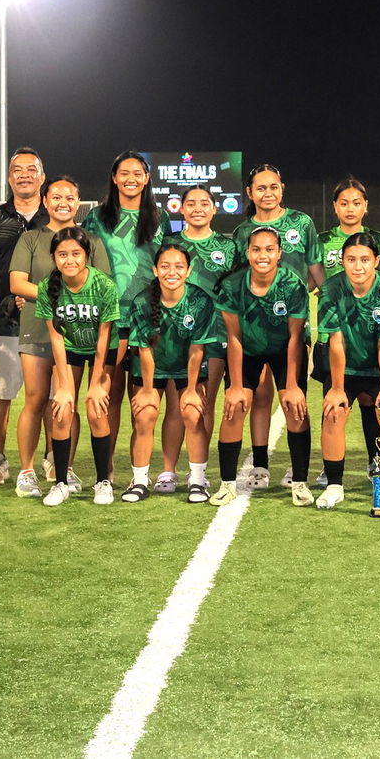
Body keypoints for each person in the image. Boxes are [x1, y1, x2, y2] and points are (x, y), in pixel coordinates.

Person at [8, 175, 110, 497]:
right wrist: (54, 295)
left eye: (70, 197)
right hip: (38, 328)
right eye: (56, 196)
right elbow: (16, 284)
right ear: (44, 201)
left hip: (78, 334)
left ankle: (61, 466)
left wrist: (60, 298)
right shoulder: (31, 239)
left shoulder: (90, 241)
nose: (63, 202)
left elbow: (102, 283)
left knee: (67, 401)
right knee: (36, 400)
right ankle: (26, 471)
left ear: (78, 202)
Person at [229, 165, 323, 489]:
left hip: (292, 327)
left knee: (294, 398)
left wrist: (302, 294)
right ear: (249, 192)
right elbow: (238, 280)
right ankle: (260, 465)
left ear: (282, 188)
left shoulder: (302, 223)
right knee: (258, 396)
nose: (267, 193)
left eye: (273, 187)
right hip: (252, 329)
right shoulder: (242, 232)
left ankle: (299, 472)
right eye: (260, 188)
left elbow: (315, 271)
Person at [81, 151, 168, 480]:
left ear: (146, 179)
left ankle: (140, 472)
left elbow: (168, 266)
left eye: (138, 173)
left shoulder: (159, 218)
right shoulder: (95, 218)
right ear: (114, 178)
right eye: (124, 172)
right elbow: (83, 264)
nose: (131, 178)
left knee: (143, 400)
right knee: (109, 396)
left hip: (148, 318)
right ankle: (106, 470)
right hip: (109, 318)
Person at [213, 227, 311, 506]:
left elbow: (295, 338)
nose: (262, 255)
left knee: (295, 406)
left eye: (269, 249)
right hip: (248, 350)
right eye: (256, 249)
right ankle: (227, 484)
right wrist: (233, 385)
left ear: (279, 253)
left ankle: (300, 483)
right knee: (235, 405)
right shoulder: (233, 285)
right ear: (248, 252)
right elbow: (233, 337)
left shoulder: (292, 285)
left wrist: (292, 385)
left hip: (284, 350)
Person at [0, 147, 46, 486]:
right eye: (18, 169)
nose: (25, 174)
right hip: (3, 322)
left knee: (46, 393)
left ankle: (52, 459)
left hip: (49, 322)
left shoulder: (56, 216)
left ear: (42, 176)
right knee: (2, 391)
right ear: (9, 177)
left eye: (32, 169)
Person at [315, 233, 380, 509]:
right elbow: (336, 341)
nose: (358, 266)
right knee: (333, 413)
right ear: (342, 261)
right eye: (351, 259)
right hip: (344, 363)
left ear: (376, 261)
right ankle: (334, 485)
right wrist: (337, 387)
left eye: (365, 260)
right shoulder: (331, 289)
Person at [123, 243, 221, 502]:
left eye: (179, 266)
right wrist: (146, 390)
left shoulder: (200, 300)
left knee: (191, 411)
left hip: (185, 367)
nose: (172, 272)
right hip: (151, 369)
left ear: (188, 271)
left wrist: (190, 390)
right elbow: (145, 351)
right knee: (145, 414)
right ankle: (140, 481)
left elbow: (196, 350)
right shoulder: (143, 301)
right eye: (165, 266)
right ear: (155, 270)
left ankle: (198, 481)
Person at [32, 228, 122, 506]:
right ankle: (60, 482)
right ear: (54, 257)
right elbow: (56, 338)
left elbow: (104, 336)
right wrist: (63, 387)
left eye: (75, 254)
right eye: (62, 254)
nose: (69, 260)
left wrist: (96, 384)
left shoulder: (104, 285)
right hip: (69, 350)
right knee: (61, 411)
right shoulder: (49, 287)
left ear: (86, 256)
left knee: (96, 408)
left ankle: (102, 481)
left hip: (102, 351)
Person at [170, 185, 238, 500]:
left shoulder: (228, 246)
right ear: (181, 209)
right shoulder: (170, 245)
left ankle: (200, 467)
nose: (198, 208)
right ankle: (170, 469)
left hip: (217, 337)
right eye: (191, 203)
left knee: (205, 401)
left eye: (204, 203)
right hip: (175, 337)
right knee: (176, 404)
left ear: (214, 209)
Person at [315, 177, 380, 482]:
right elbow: (317, 278)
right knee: (333, 399)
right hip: (334, 331)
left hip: (369, 335)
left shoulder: (378, 238)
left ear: (366, 206)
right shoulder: (323, 239)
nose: (350, 208)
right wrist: (336, 301)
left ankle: (377, 461)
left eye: (357, 202)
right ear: (335, 206)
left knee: (373, 401)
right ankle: (329, 468)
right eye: (344, 202)